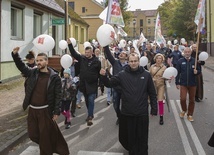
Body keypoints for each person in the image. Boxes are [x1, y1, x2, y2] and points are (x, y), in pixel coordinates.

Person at [12, 47, 69, 155]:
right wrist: (15, 55)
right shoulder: (33, 73)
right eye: (37, 60)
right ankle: (49, 145)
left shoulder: (54, 77)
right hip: (33, 110)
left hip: (45, 111)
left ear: (47, 61)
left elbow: (58, 95)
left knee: (44, 136)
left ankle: (47, 149)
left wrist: (56, 111)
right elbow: (22, 67)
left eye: (41, 60)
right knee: (33, 135)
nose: (38, 62)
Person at [100, 53, 157, 155]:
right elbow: (109, 83)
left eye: (135, 61)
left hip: (142, 113)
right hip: (128, 113)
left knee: (142, 138)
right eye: (131, 61)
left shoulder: (146, 75)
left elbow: (152, 93)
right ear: (128, 62)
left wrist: (154, 108)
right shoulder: (122, 75)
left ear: (138, 62)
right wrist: (103, 76)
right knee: (131, 139)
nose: (133, 63)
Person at [67, 39, 101, 126]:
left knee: (91, 99)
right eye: (86, 52)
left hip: (92, 84)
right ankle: (90, 114)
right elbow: (74, 53)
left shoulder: (97, 61)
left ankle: (90, 116)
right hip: (84, 84)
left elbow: (99, 73)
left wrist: (100, 83)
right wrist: (70, 45)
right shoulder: (82, 58)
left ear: (92, 52)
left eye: (88, 52)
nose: (87, 54)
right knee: (86, 100)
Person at [103, 45, 128, 125]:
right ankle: (119, 116)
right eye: (120, 53)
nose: (121, 54)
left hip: (125, 89)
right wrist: (106, 45)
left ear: (126, 57)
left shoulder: (129, 66)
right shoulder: (115, 62)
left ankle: (124, 118)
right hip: (116, 88)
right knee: (115, 105)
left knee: (125, 106)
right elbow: (109, 55)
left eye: (123, 54)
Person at [175, 47, 201, 122]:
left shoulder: (195, 61)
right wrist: (177, 83)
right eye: (185, 52)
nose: (187, 53)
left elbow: (199, 70)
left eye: (188, 52)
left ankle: (190, 114)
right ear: (183, 52)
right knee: (182, 98)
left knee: (192, 100)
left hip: (193, 84)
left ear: (190, 52)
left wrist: (197, 72)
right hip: (183, 83)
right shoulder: (180, 61)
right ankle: (184, 110)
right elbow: (177, 73)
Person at [149, 54, 167, 125]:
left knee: (160, 101)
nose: (158, 60)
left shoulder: (164, 67)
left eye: (160, 58)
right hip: (152, 86)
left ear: (162, 60)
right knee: (151, 99)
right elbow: (149, 75)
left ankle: (161, 117)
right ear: (155, 59)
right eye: (157, 58)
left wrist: (169, 77)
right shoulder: (152, 66)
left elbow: (166, 76)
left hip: (160, 86)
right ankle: (153, 111)